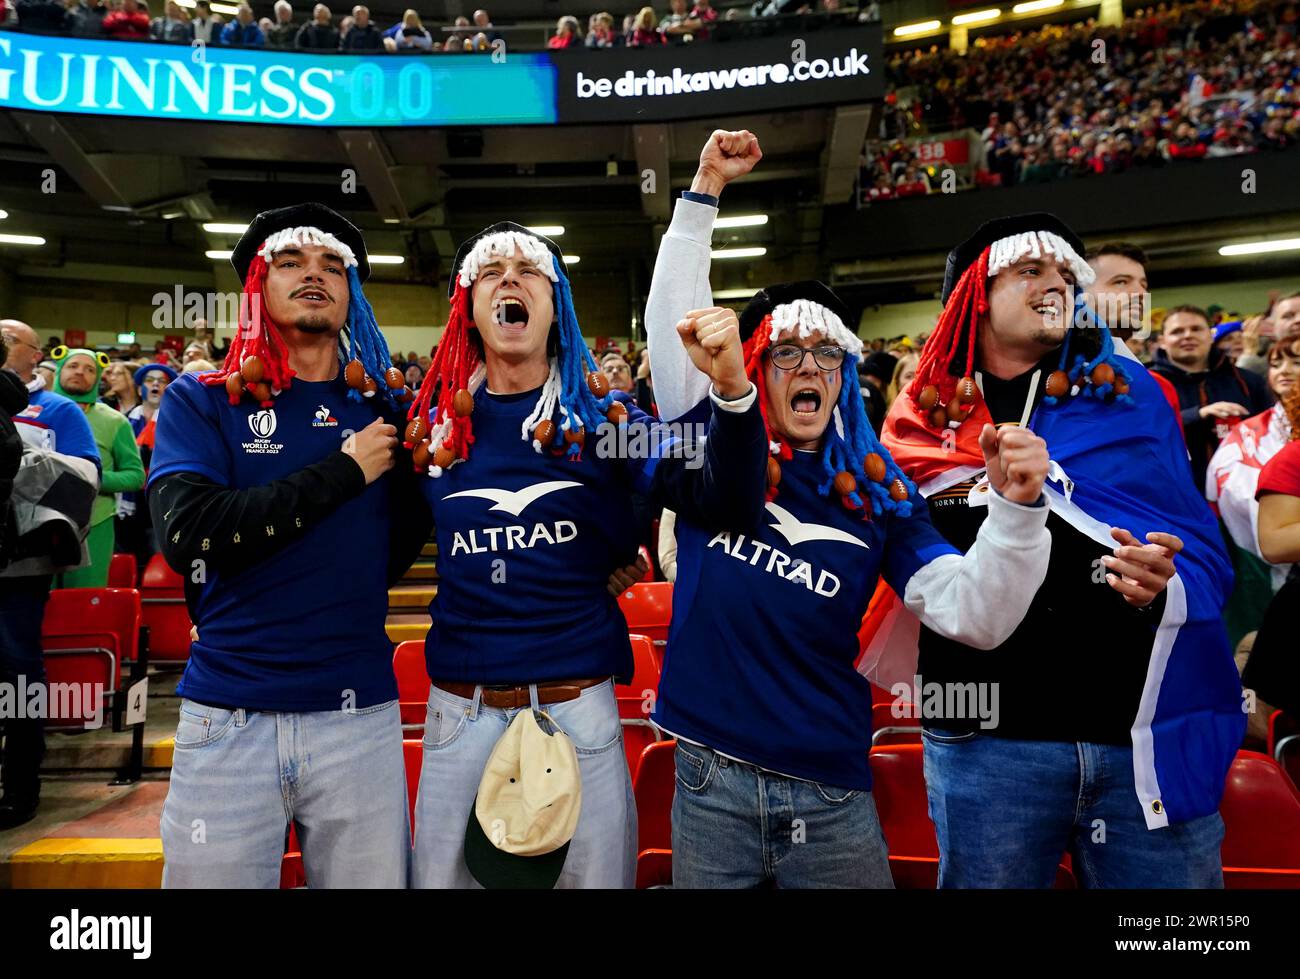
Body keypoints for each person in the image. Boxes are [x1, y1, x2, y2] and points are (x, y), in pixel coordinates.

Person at [644, 130, 1053, 889]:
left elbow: (972, 612)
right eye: (787, 353)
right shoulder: (712, 441)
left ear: (843, 375)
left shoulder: (882, 490)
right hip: (708, 782)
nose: (809, 367)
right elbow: (673, 324)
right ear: (754, 370)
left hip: (830, 790)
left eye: (826, 354)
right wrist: (703, 193)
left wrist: (1017, 513)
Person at [874, 214, 1243, 888]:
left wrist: (1169, 576)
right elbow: (925, 578)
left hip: (1136, 736)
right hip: (985, 741)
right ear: (975, 296)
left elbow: (1204, 550)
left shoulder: (1133, 400)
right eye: (1031, 271)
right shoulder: (921, 421)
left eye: (1067, 275)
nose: (1058, 285)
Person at [403, 218, 757, 889]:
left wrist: (732, 394)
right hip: (460, 712)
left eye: (529, 269)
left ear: (556, 301)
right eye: (492, 271)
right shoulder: (431, 425)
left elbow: (721, 497)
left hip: (576, 710)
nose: (510, 278)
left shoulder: (604, 421)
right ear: (468, 306)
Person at [147, 204, 430, 887]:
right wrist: (341, 471)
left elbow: (398, 542)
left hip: (357, 712)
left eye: (333, 265)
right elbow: (187, 534)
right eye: (293, 262)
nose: (316, 274)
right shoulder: (204, 398)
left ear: (352, 291)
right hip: (229, 715)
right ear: (256, 285)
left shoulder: (386, 407)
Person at [0, 320, 100, 830]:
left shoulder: (59, 408)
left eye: (8, 338)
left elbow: (86, 472)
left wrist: (21, 464)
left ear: (34, 355)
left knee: (18, 668)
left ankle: (20, 785)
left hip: (21, 558)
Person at [1206, 336, 1299, 635]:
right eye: (1275, 364)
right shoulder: (1247, 434)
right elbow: (1227, 494)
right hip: (1268, 569)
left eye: (1296, 361)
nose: (1284, 370)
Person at [48, 346, 145, 588]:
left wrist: (92, 478)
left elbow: (135, 476)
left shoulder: (114, 421)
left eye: (89, 369)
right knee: (31, 605)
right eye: (73, 366)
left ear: (98, 376)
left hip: (94, 524)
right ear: (59, 368)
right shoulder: (35, 409)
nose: (80, 372)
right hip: (36, 523)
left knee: (82, 609)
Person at [1152, 304, 1272, 491]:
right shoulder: (1148, 383)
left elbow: (1272, 430)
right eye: (1177, 331)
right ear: (1162, 341)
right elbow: (1144, 432)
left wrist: (1243, 428)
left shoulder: (1248, 380)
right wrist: (1198, 416)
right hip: (1174, 495)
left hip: (1245, 493)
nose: (1187, 335)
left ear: (1210, 335)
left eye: (1196, 329)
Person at [1085, 241, 1183, 430]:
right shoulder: (1037, 377)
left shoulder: (1160, 387)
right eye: (1120, 282)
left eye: (1143, 285)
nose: (1141, 293)